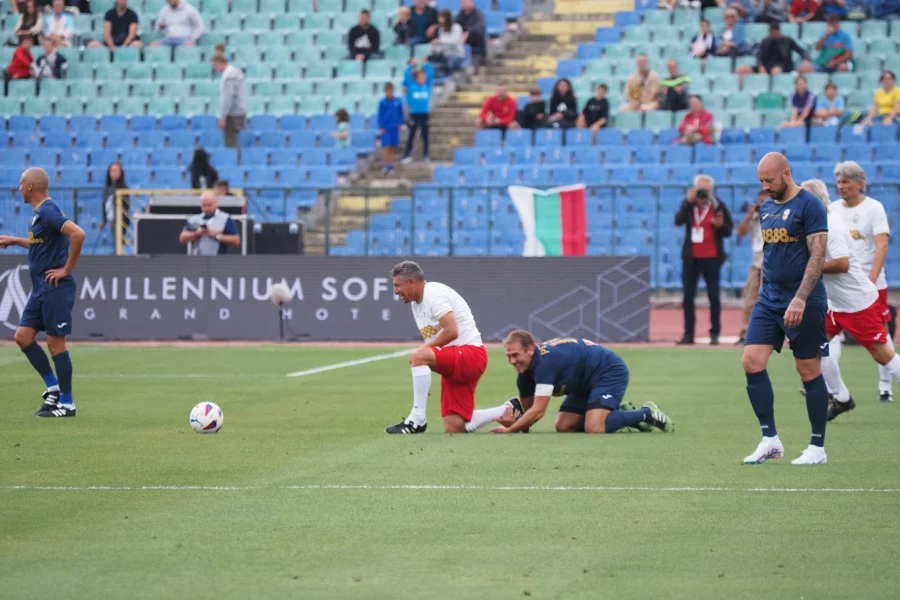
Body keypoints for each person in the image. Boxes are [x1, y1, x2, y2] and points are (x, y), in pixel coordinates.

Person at [742, 152, 829, 466]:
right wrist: (766, 291)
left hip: (804, 301)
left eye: (770, 180)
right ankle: (770, 439)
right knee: (751, 361)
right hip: (770, 300)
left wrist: (800, 298)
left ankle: (817, 447)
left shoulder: (811, 205)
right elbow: (770, 254)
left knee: (807, 369)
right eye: (761, 181)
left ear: (786, 174)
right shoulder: (766, 207)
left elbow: (817, 256)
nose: (765, 187)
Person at [798, 179, 900, 422]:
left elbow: (842, 264)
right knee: (810, 349)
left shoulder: (831, 225)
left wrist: (810, 267)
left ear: (818, 201)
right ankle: (841, 397)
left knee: (882, 355)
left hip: (857, 303)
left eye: (804, 198)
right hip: (835, 303)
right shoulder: (816, 221)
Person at [385, 261, 518, 434]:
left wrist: (423, 355)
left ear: (411, 281)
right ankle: (508, 410)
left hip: (470, 355)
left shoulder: (433, 293)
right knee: (454, 426)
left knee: (419, 356)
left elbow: (451, 331)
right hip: (456, 361)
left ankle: (416, 420)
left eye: (397, 285)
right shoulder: (415, 303)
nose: (395, 291)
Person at [0, 168, 86, 418]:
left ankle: (67, 404)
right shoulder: (40, 214)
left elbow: (78, 234)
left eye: (20, 183)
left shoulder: (48, 210)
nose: (18, 188)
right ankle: (54, 388)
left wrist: (66, 269)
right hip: (40, 288)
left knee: (55, 342)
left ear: (29, 187)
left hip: (55, 287)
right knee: (23, 337)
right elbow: (41, 244)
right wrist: (15, 240)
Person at [490, 331, 674, 434]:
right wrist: (515, 424)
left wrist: (510, 430)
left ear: (530, 350)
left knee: (594, 427)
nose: (512, 361)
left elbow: (538, 411)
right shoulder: (524, 374)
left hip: (608, 371)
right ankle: (618, 414)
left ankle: (647, 413)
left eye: (516, 355)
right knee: (564, 426)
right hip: (583, 383)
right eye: (508, 356)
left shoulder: (545, 363)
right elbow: (529, 414)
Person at [829, 161, 893, 402]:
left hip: (870, 284)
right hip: (839, 286)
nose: (841, 186)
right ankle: (832, 388)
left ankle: (885, 385)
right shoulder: (833, 209)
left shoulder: (873, 208)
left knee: (880, 335)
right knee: (827, 332)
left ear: (860, 184)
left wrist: (871, 280)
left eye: (845, 182)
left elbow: (881, 244)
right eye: (838, 182)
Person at [674, 174, 733, 345]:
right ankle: (688, 333)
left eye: (705, 190)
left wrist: (720, 226)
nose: (702, 194)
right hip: (691, 258)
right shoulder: (690, 206)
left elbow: (729, 230)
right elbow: (678, 220)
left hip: (712, 257)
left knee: (714, 296)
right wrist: (687, 202)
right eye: (700, 190)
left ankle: (715, 333)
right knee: (688, 296)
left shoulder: (718, 206)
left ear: (711, 190)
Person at [736, 189, 767, 345]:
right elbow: (740, 232)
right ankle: (745, 334)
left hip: (773, 262)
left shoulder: (779, 214)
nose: (763, 204)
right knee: (750, 299)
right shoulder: (755, 217)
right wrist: (750, 215)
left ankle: (788, 333)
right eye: (761, 201)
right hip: (757, 263)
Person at [179, 190, 240, 256]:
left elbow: (236, 240)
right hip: (197, 260)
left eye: (209, 205)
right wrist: (196, 233)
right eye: (204, 205)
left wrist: (217, 236)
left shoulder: (225, 219)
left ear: (216, 203)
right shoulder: (194, 220)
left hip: (218, 260)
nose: (207, 208)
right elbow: (182, 238)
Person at [735, 23, 807, 76]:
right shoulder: (765, 41)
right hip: (766, 66)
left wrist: (805, 60)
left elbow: (801, 51)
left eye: (775, 32)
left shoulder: (788, 41)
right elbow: (759, 56)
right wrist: (761, 67)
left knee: (776, 71)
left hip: (783, 66)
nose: (774, 34)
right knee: (741, 69)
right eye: (772, 32)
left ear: (779, 31)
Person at [211, 52, 247, 149]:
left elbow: (228, 99)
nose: (214, 68)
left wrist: (223, 117)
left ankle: (237, 160)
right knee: (234, 140)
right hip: (240, 111)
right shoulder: (235, 73)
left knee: (230, 143)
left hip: (233, 114)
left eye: (214, 65)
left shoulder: (228, 78)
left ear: (220, 63)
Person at [402, 59, 432, 163]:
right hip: (414, 114)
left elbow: (431, 75)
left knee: (425, 135)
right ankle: (406, 155)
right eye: (421, 76)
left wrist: (426, 64)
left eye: (424, 76)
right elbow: (406, 76)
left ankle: (426, 155)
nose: (423, 78)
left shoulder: (427, 87)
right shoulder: (412, 87)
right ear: (417, 78)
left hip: (424, 114)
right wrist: (412, 65)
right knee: (412, 135)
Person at [377, 81, 404, 174]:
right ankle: (385, 165)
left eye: (391, 91)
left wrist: (400, 123)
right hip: (386, 128)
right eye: (388, 91)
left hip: (395, 127)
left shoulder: (397, 102)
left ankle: (391, 165)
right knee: (386, 146)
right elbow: (380, 115)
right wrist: (381, 127)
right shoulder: (382, 103)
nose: (389, 93)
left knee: (392, 147)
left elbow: (401, 113)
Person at [429, 9, 465, 77]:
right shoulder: (441, 30)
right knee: (430, 63)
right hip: (445, 56)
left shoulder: (456, 27)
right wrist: (435, 49)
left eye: (441, 17)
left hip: (457, 56)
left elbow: (454, 41)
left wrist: (439, 41)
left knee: (448, 63)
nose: (439, 20)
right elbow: (443, 46)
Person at [99, 161, 130, 237]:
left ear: (121, 173)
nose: (114, 173)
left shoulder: (124, 188)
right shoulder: (107, 188)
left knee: (119, 243)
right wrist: (104, 219)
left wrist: (119, 219)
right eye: (112, 171)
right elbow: (105, 204)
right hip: (111, 219)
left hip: (121, 220)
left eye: (116, 171)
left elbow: (126, 206)